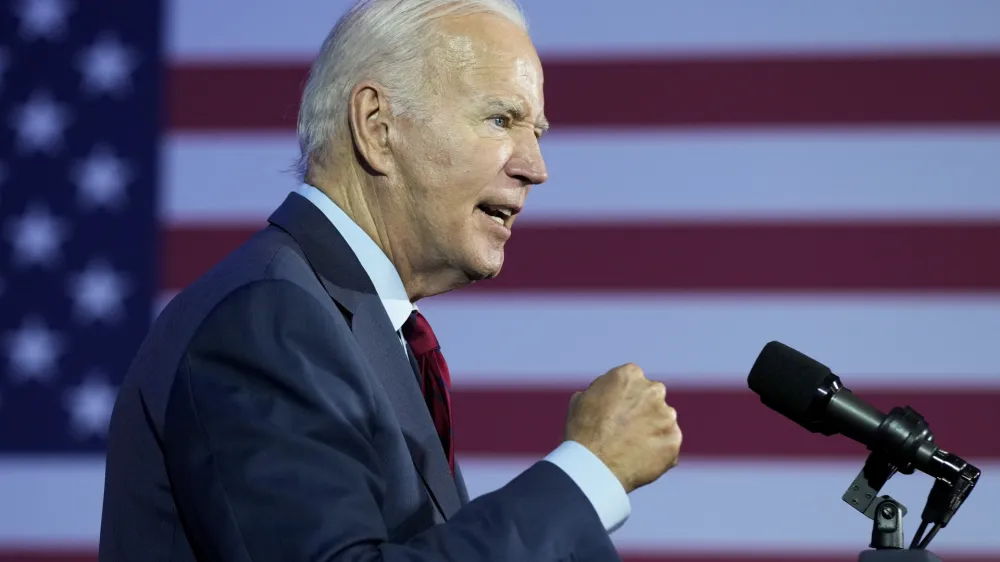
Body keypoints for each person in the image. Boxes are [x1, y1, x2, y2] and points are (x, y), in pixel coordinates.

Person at [97, 1, 682, 560]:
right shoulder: (268, 321)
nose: (535, 166)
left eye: (538, 131)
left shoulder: (354, 325)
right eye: (501, 119)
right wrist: (588, 474)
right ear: (377, 126)